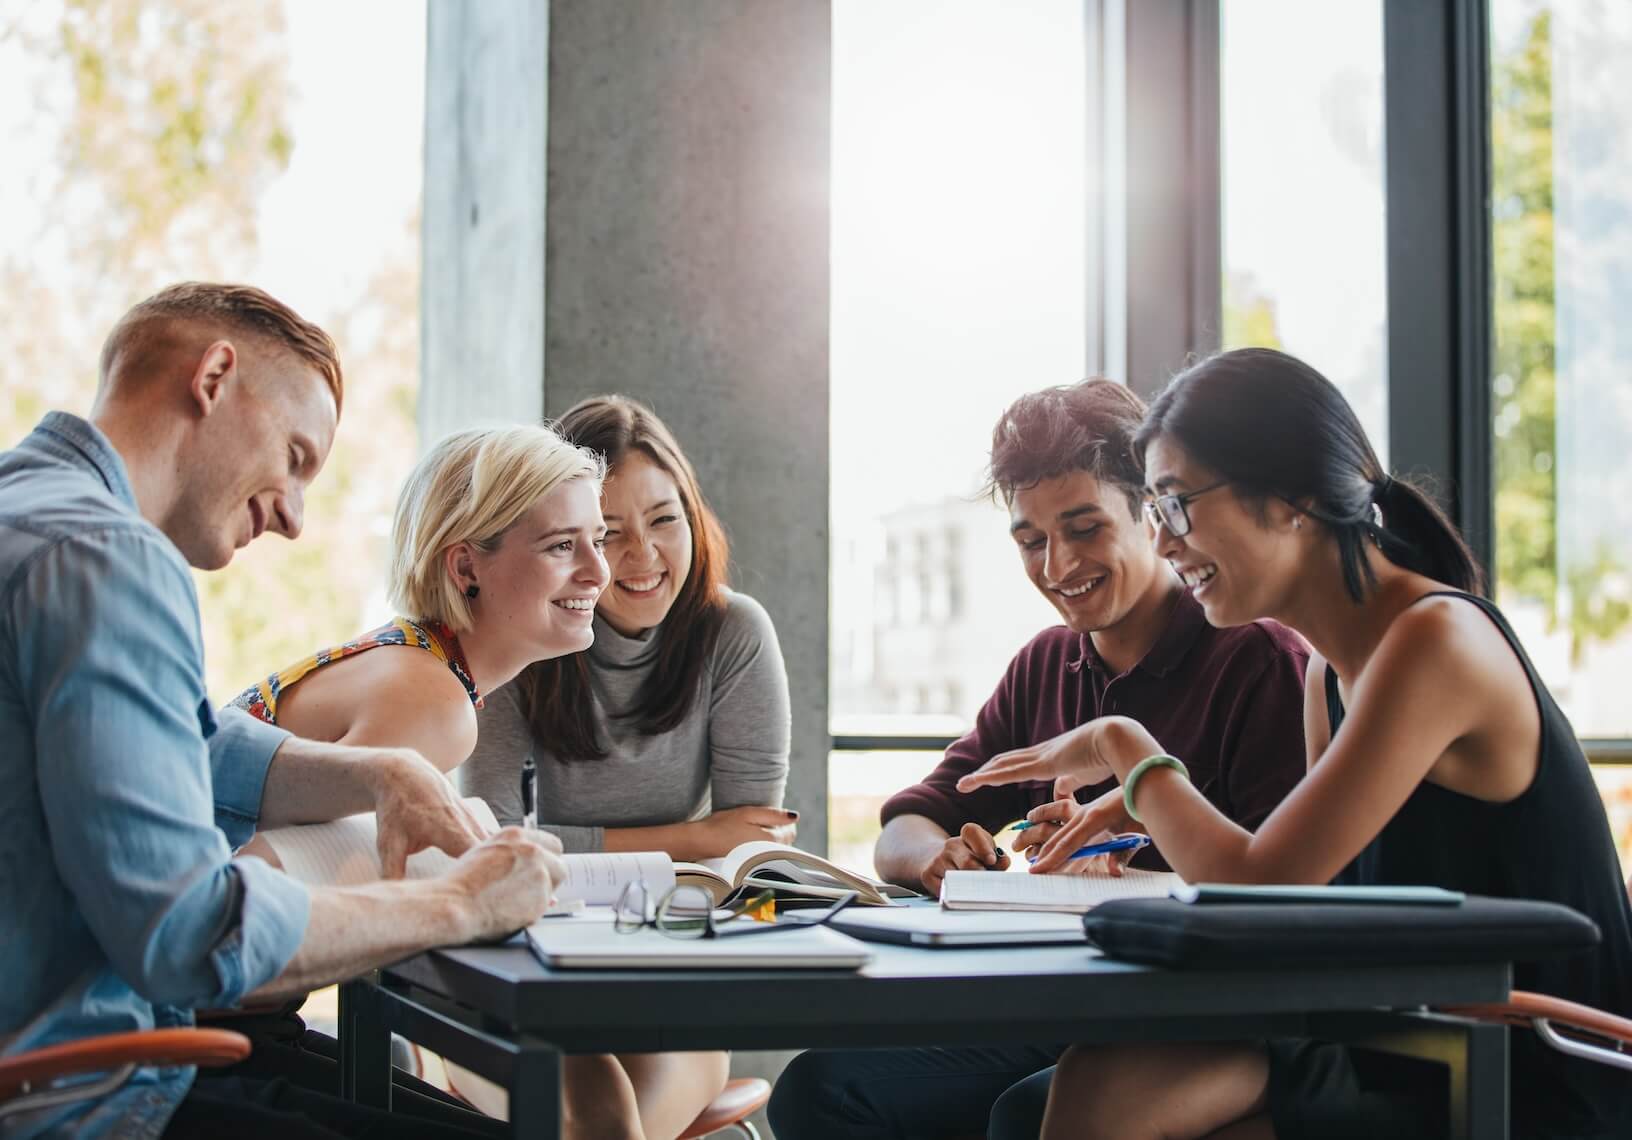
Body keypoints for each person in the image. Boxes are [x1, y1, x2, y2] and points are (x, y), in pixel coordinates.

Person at [958, 347, 1632, 1140]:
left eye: (1176, 506)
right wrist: (1143, 812)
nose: (1166, 543)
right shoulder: (1328, 672)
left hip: (1525, 1065)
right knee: (1066, 1095)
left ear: (1291, 500)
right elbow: (1296, 903)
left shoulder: (1435, 641)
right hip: (1410, 1037)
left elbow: (1260, 881)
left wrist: (1126, 749)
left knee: (1103, 1096)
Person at [0, 283, 562, 1140]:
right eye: (296, 457)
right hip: (87, 1093)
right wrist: (464, 903)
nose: (296, 518)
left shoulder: (31, 518)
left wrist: (379, 770)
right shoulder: (109, 559)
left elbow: (181, 732)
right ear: (215, 377)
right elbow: (192, 935)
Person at [769, 379, 1310, 1140]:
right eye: (1030, 541)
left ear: (1152, 515)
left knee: (1027, 1114)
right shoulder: (1046, 664)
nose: (1057, 566)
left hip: (1204, 1022)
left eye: (1085, 529)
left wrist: (1126, 878)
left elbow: (1278, 898)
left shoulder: (1256, 657)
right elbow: (905, 825)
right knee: (819, 1090)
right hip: (1069, 1010)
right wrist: (939, 858)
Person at [231, 420, 730, 1139]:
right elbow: (272, 891)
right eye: (565, 545)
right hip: (186, 1040)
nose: (600, 570)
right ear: (466, 569)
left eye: (598, 538)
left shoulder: (419, 665)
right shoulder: (432, 703)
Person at [462, 394, 794, 860]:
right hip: (545, 906)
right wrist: (694, 837)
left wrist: (712, 841)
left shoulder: (734, 631)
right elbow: (493, 840)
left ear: (693, 519)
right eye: (609, 533)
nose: (643, 554)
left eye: (664, 519)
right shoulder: (516, 633)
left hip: (689, 907)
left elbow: (747, 840)